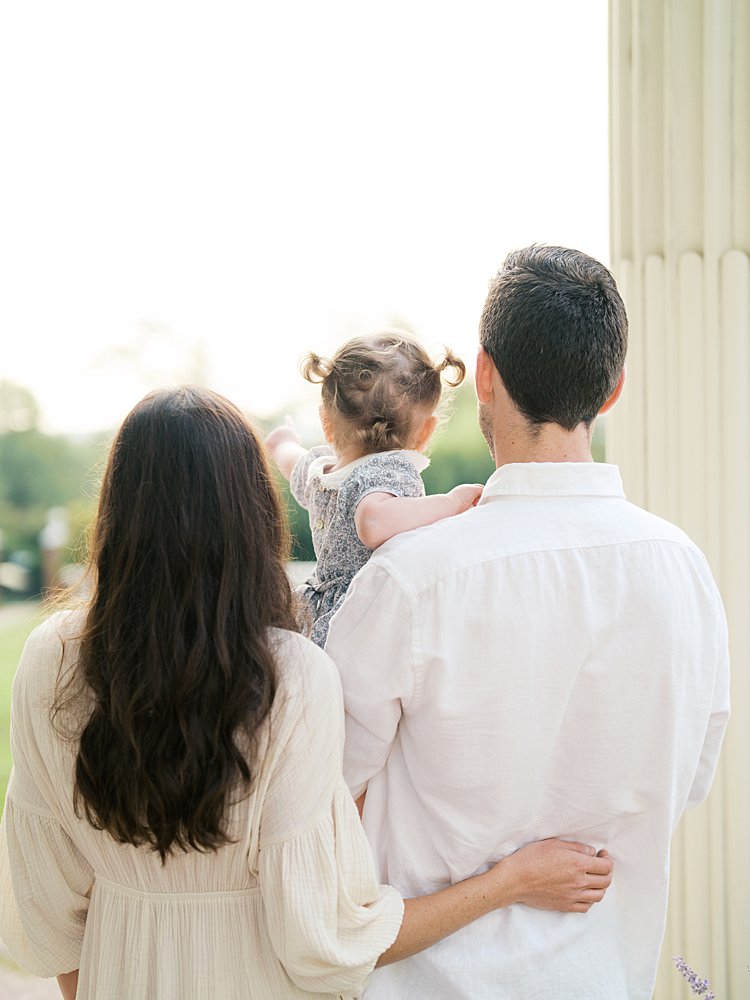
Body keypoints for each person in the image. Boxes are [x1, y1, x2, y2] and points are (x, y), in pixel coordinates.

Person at [0, 386, 613, 1000]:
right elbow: (328, 939)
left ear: (116, 511)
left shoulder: (52, 661)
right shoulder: (290, 679)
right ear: (251, 514)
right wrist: (510, 881)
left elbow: (48, 913)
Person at [325, 246, 730, 999]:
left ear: (483, 372)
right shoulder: (686, 573)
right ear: (613, 390)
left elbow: (324, 804)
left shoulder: (413, 581)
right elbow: (687, 781)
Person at [266, 330, 482, 646]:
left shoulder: (322, 472)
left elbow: (292, 462)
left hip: (316, 615)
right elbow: (373, 521)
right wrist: (451, 503)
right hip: (361, 619)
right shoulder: (388, 474)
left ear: (326, 422)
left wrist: (282, 443)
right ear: (425, 433)